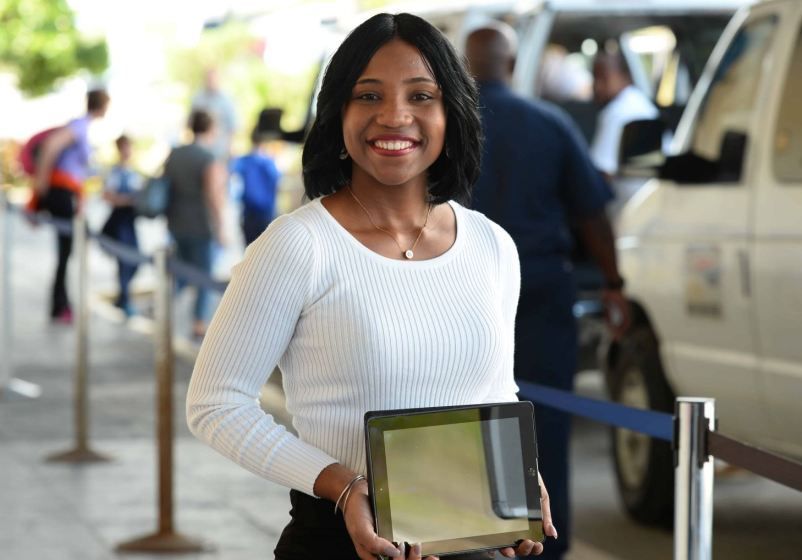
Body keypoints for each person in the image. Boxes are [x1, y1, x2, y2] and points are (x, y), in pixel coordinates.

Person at [187, 13, 557, 560]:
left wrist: (518, 477)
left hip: (473, 539)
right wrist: (340, 484)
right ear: (338, 112)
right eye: (368, 96)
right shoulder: (297, 245)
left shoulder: (491, 244)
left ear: (450, 113)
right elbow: (215, 405)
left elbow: (495, 393)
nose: (395, 116)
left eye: (421, 95)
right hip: (342, 542)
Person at [465, 24, 631, 560]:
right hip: (540, 291)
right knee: (544, 425)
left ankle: (471, 538)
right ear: (513, 66)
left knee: (465, 419)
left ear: (464, 68)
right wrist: (613, 283)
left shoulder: (444, 126)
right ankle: (545, 546)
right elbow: (591, 213)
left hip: (462, 292)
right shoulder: (551, 122)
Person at [32, 88, 110, 323]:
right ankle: (60, 305)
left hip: (67, 192)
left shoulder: (83, 127)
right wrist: (41, 186)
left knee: (66, 252)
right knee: (65, 252)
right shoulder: (79, 126)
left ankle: (61, 304)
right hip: (61, 192)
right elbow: (50, 147)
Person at [164, 109, 227, 339]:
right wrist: (221, 228)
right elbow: (214, 196)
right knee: (204, 275)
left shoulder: (175, 153)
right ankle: (199, 322)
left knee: (182, 270)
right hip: (201, 224)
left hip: (175, 221)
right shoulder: (208, 158)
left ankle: (164, 306)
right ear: (210, 128)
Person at [589, 50, 658, 180]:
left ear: (623, 76)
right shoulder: (640, 101)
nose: (597, 86)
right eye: (594, 78)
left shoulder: (618, 111)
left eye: (603, 78)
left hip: (631, 197)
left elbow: (603, 174)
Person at [101, 134, 142, 316]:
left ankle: (122, 296)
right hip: (119, 221)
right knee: (124, 261)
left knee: (134, 260)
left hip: (130, 221)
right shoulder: (115, 173)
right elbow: (108, 196)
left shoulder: (133, 172)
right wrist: (127, 200)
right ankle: (124, 299)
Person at [231, 113, 282, 246]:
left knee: (248, 251)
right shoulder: (270, 163)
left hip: (248, 213)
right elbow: (277, 184)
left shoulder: (242, 161)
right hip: (266, 213)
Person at [190, 67, 238, 162]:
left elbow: (232, 127)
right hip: (200, 150)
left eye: (213, 79)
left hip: (220, 150)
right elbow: (192, 123)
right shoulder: (197, 98)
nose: (210, 81)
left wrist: (230, 148)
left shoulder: (227, 100)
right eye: (208, 79)